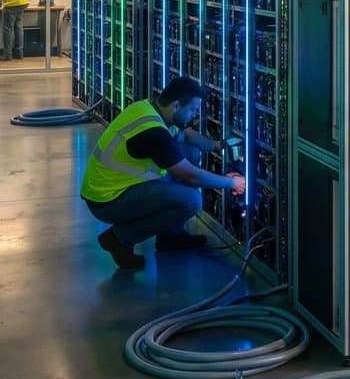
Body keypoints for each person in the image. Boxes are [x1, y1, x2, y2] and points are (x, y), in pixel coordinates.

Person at [81, 76, 244, 269]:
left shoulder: (149, 108)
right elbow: (190, 175)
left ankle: (171, 236)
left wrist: (218, 145)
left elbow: (186, 135)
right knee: (192, 200)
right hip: (107, 200)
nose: (194, 115)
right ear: (176, 105)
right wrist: (232, 183)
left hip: (112, 187)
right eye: (192, 110)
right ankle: (119, 238)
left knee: (191, 151)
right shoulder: (153, 132)